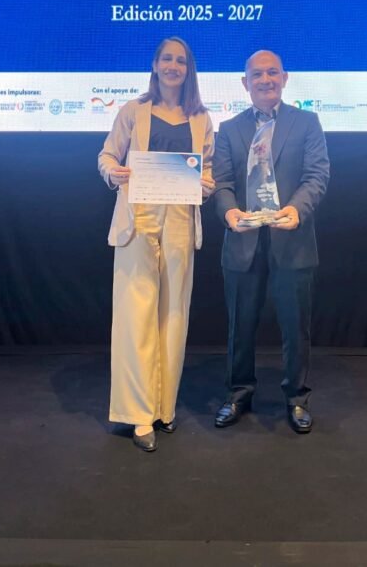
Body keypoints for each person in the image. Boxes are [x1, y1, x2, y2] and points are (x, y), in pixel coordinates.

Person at [98, 37, 215, 452]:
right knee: (136, 317)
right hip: (139, 217)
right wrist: (115, 173)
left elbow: (208, 169)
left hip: (180, 219)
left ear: (189, 69)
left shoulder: (201, 118)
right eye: (167, 59)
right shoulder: (133, 110)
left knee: (174, 316)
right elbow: (106, 157)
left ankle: (164, 408)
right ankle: (138, 415)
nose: (173, 66)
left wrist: (206, 183)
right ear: (154, 64)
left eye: (180, 61)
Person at [213, 50, 329, 434]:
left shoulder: (307, 123)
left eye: (273, 73)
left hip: (292, 242)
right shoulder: (228, 129)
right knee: (240, 326)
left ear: (285, 78)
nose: (266, 80)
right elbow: (222, 183)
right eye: (257, 74)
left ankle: (297, 397)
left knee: (296, 328)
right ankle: (238, 393)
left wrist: (297, 209)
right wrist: (229, 213)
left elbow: (317, 175)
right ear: (245, 82)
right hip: (242, 242)